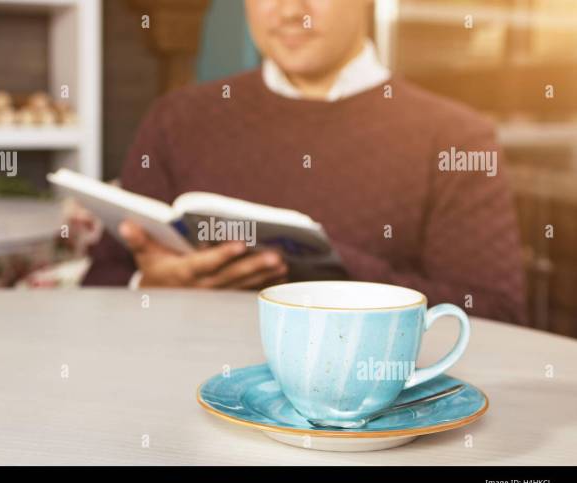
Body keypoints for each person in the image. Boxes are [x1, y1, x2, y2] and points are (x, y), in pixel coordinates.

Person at [83, 0, 527, 324]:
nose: (290, 10)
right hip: (188, 403)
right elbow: (98, 284)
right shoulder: (177, 118)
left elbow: (495, 315)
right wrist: (151, 288)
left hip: (365, 430)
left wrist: (324, 266)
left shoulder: (456, 137)